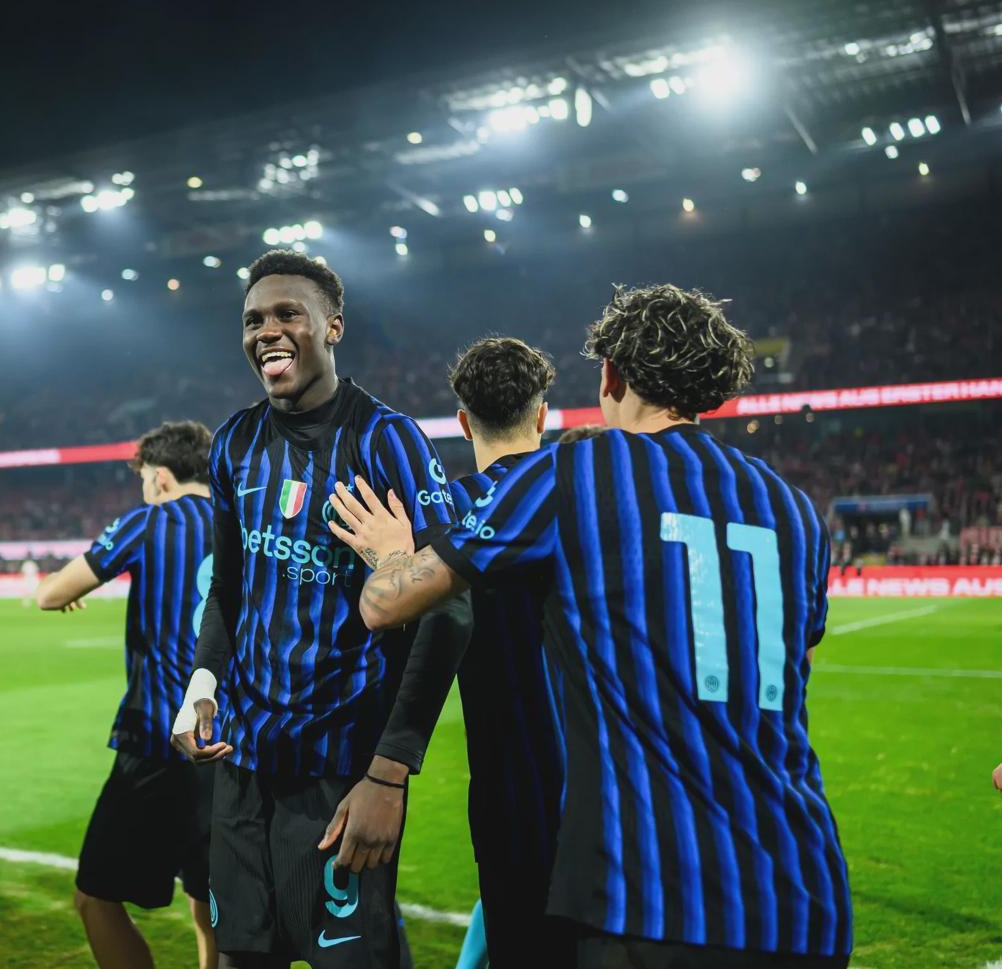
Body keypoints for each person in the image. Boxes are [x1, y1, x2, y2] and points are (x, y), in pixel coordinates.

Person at [328, 284, 852, 969]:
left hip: (658, 900)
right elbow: (792, 661)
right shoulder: (793, 508)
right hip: (806, 896)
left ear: (611, 377)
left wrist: (393, 554)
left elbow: (385, 604)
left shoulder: (576, 471)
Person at [171, 250, 471, 968]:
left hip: (342, 773)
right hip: (242, 765)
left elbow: (449, 609)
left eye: (288, 314)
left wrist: (388, 773)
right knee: (242, 958)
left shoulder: (386, 439)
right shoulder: (235, 442)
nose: (267, 331)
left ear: (332, 327)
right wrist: (202, 681)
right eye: (253, 320)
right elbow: (229, 586)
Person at [35, 420, 219, 969]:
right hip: (235, 746)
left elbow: (51, 594)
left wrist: (61, 588)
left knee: (95, 898)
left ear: (161, 478)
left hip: (159, 742)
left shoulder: (150, 521)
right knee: (213, 902)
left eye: (143, 480)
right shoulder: (243, 522)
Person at [437, 337, 569, 969]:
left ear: (464, 423)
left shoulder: (447, 514)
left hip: (507, 787)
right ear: (542, 415)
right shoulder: (587, 492)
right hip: (607, 783)